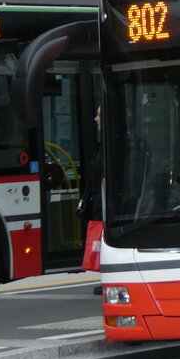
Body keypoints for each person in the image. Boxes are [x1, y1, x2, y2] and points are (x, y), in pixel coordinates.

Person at [77, 105, 104, 293]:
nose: (96, 119)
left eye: (99, 115)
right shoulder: (103, 145)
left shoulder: (109, 145)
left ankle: (107, 275)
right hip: (99, 201)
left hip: (104, 202)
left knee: (104, 238)